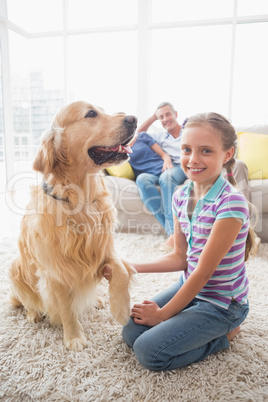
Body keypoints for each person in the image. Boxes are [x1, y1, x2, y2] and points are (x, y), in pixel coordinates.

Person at [120, 112, 257, 371]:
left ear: (227, 155)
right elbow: (180, 258)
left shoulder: (231, 203)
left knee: (149, 352)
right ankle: (187, 320)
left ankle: (225, 335)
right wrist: (129, 265)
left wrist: (163, 315)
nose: (193, 160)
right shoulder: (181, 195)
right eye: (186, 149)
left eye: (205, 151)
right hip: (190, 286)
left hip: (222, 304)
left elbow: (204, 273)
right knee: (131, 333)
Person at [133, 102, 187, 250]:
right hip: (165, 169)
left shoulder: (188, 131)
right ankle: (174, 233)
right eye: (161, 117)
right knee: (142, 179)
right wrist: (152, 118)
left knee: (166, 178)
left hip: (182, 167)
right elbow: (139, 134)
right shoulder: (161, 136)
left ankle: (173, 235)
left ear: (175, 114)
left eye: (168, 114)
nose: (165, 119)